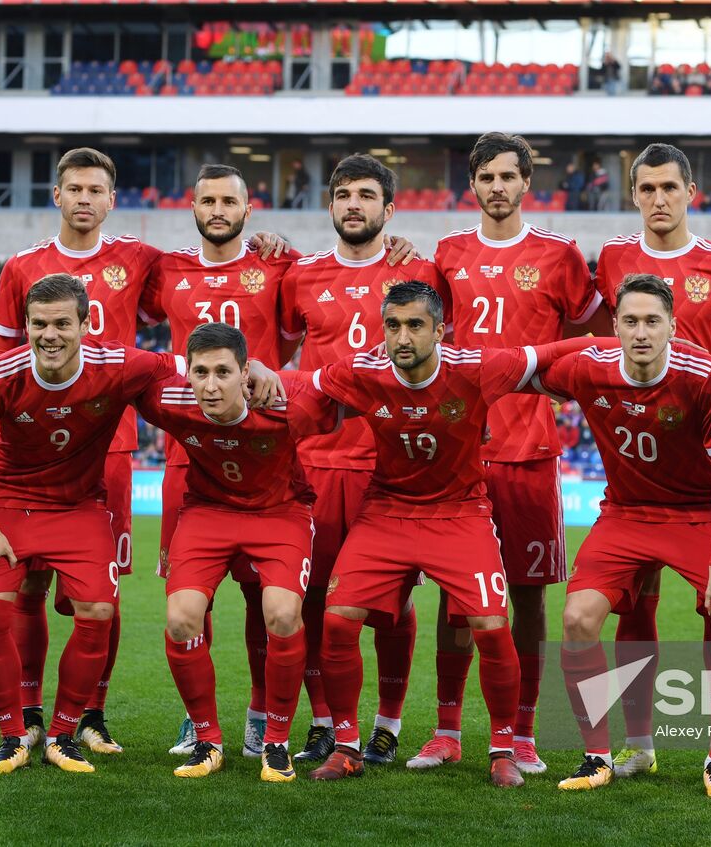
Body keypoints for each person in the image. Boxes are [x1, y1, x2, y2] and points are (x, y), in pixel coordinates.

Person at [300, 280, 592, 787]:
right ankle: (346, 746)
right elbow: (301, 385)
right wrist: (257, 374)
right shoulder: (363, 370)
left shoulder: (474, 367)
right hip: (386, 512)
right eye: (393, 325)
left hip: (460, 514)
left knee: (492, 626)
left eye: (415, 325)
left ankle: (503, 749)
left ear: (439, 330)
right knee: (338, 620)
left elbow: (550, 352)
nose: (402, 337)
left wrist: (622, 344)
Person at [0, 274, 202, 774]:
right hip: (10, 502)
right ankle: (12, 737)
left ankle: (63, 735)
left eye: (63, 324)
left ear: (86, 325)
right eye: (39, 324)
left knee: (98, 612)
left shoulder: (119, 364)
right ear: (26, 325)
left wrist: (261, 372)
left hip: (78, 506)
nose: (50, 335)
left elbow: (188, 364)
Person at [591, 142, 711, 781]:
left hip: (708, 471)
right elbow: (598, 338)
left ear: (691, 192)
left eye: (669, 187)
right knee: (634, 606)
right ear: (633, 195)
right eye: (646, 189)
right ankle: (639, 744)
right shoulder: (613, 259)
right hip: (637, 467)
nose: (658, 199)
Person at [421, 132, 606, 775]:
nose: (497, 187)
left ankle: (523, 732)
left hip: (529, 451)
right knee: (455, 598)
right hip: (460, 450)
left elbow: (595, 337)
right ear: (471, 184)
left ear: (527, 182)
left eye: (508, 176)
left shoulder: (559, 255)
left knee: (527, 598)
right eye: (486, 176)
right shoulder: (447, 254)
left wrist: (562, 387)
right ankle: (447, 731)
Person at [534, 274, 711, 799]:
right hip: (626, 514)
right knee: (577, 618)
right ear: (614, 325)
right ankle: (601, 755)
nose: (641, 332)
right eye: (630, 321)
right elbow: (519, 373)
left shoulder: (703, 375)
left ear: (673, 326)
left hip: (699, 515)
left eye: (653, 321)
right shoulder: (588, 368)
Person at [0, 147, 163, 757]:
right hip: (34, 453)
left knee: (102, 594)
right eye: (75, 188)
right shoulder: (22, 267)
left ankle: (92, 713)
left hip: (110, 447)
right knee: (28, 584)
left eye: (96, 190)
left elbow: (205, 275)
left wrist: (268, 243)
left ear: (112, 200)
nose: (85, 199)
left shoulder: (138, 259)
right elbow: (1, 361)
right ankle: (30, 710)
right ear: (56, 195)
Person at [277, 154, 442, 766]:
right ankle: (325, 721)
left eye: (367, 195)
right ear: (330, 205)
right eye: (344, 194)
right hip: (317, 462)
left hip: (389, 463)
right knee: (314, 599)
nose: (354, 204)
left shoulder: (417, 271)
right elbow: (277, 350)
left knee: (392, 605)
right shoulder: (300, 274)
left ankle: (388, 724)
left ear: (389, 209)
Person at [140, 163, 302, 761]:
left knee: (265, 600)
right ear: (192, 207)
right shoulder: (166, 270)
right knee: (189, 598)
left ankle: (261, 714)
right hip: (188, 455)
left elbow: (322, 302)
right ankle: (196, 720)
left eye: (228, 202)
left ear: (248, 210)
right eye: (207, 200)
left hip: (263, 452)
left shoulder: (277, 264)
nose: (217, 210)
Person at [134, 323, 337, 781]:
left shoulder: (286, 400)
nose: (210, 386)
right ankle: (207, 740)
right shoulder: (170, 401)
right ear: (187, 373)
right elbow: (123, 370)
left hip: (280, 512)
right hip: (208, 513)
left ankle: (276, 742)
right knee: (181, 618)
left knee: (281, 614)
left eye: (223, 372)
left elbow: (348, 389)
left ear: (245, 373)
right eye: (200, 372)